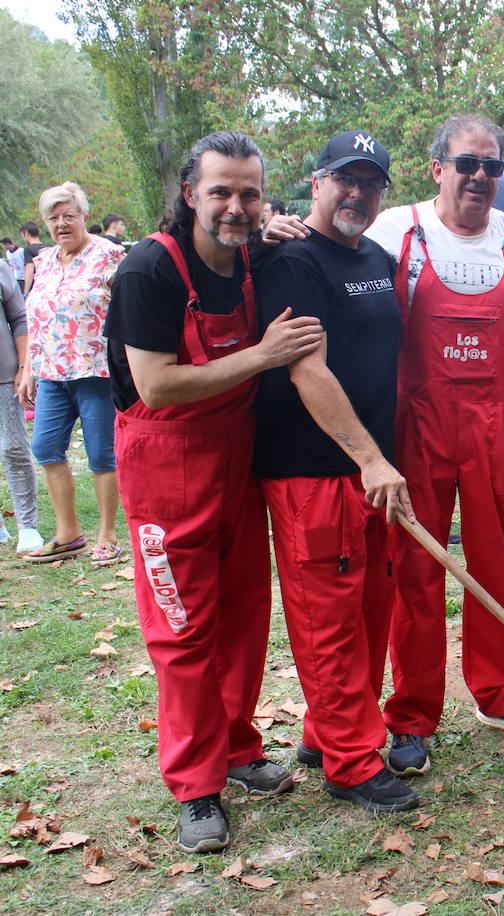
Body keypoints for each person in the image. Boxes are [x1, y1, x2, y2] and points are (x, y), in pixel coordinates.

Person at [103, 130, 323, 853]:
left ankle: (235, 747)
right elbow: (157, 384)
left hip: (235, 460)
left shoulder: (254, 258)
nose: (236, 206)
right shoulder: (150, 271)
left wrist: (290, 226)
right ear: (190, 193)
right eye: (222, 191)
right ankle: (196, 787)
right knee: (183, 632)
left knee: (242, 616)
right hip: (166, 468)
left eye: (250, 193)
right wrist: (261, 356)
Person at [366, 114, 504, 758]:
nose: (479, 177)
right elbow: (342, 285)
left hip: (496, 418)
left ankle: (502, 693)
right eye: (467, 164)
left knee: (497, 559)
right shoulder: (398, 229)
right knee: (415, 566)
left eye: (492, 166)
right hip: (417, 419)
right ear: (438, 169)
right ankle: (413, 714)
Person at [254, 130, 419, 811]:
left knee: (370, 607)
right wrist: (370, 457)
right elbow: (306, 370)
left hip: (370, 470)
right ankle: (351, 763)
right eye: (345, 179)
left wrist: (382, 460)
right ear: (316, 183)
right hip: (314, 471)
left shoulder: (376, 255)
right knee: (330, 619)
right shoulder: (292, 263)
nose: (358, 192)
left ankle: (330, 733)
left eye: (371, 181)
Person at [18, 183, 124, 565]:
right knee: (45, 448)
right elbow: (36, 318)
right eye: (53, 217)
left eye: (69, 215)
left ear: (83, 216)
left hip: (95, 370)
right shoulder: (44, 260)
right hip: (51, 373)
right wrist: (29, 367)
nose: (61, 223)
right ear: (46, 223)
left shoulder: (109, 255)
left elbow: (129, 309)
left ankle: (108, 535)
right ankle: (68, 533)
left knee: (102, 454)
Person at [0, 259, 40, 554]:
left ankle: (27, 526)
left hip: (5, 375)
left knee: (13, 448)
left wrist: (24, 365)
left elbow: (20, 318)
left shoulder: (1, 268)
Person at [20, 221, 44, 295]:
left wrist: (26, 292)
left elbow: (29, 270)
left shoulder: (28, 250)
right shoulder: (48, 248)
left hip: (36, 289)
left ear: (26, 233)